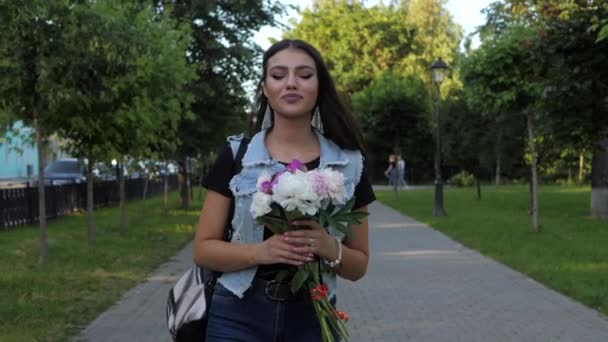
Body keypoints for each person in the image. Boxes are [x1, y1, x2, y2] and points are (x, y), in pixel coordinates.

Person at [194, 39, 375, 342]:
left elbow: (358, 267)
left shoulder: (349, 164)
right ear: (265, 87)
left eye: (304, 75)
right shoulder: (238, 155)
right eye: (278, 75)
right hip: (237, 316)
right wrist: (259, 252)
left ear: (319, 86)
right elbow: (202, 249)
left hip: (314, 317)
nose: (291, 83)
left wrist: (329, 246)